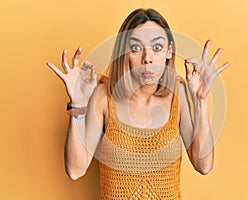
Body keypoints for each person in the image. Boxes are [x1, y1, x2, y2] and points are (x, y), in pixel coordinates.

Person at [47, 8, 229, 200]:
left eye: (157, 48)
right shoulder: (104, 96)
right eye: (136, 48)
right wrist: (77, 103)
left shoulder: (179, 92)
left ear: (169, 51)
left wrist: (201, 100)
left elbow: (204, 165)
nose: (147, 58)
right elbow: (76, 170)